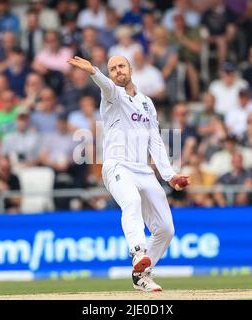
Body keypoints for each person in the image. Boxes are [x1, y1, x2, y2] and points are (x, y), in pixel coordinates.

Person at [68, 55, 188, 292]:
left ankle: (142, 275)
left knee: (166, 229)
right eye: (112, 69)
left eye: (121, 66)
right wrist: (93, 71)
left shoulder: (147, 103)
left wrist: (169, 175)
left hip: (143, 170)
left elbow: (155, 140)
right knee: (131, 202)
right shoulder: (112, 95)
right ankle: (138, 252)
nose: (117, 71)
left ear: (130, 69)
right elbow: (105, 85)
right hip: (117, 166)